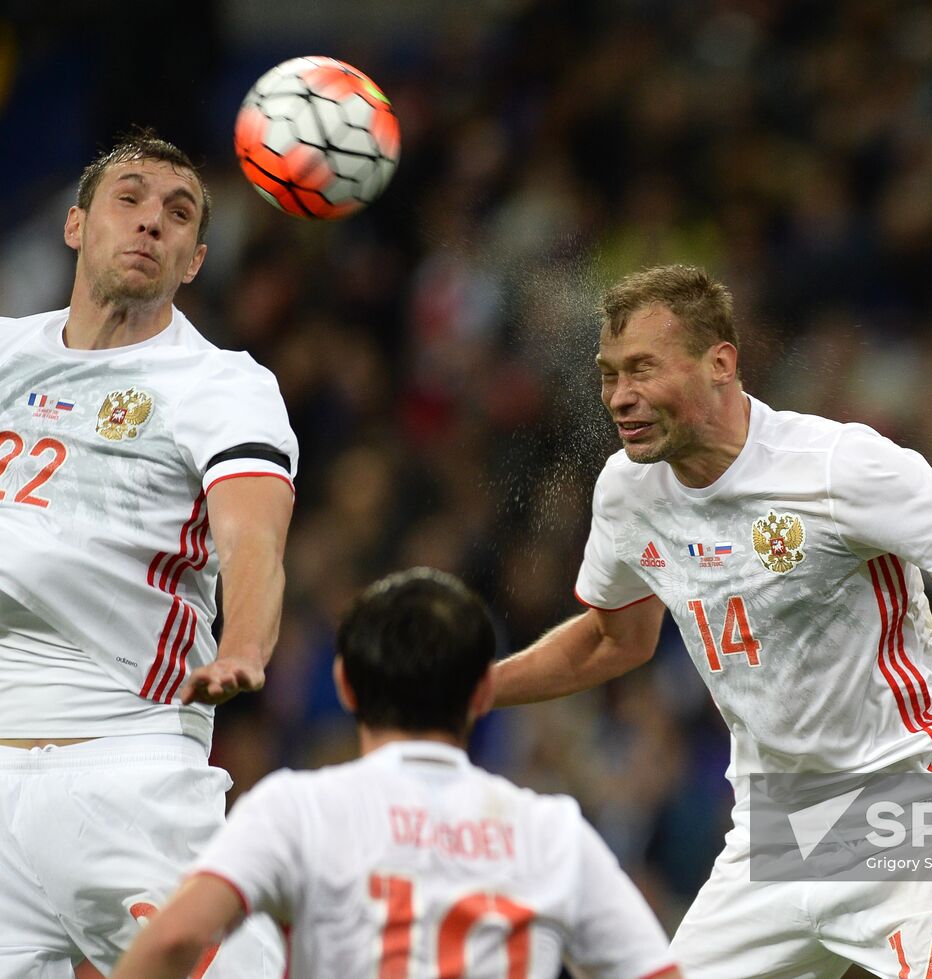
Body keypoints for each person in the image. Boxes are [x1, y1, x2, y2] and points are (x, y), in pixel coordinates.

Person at [491, 264, 932, 977]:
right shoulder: (630, 492)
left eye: (642, 370)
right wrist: (479, 687)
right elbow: (614, 637)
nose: (620, 397)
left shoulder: (836, 467)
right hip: (775, 835)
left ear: (720, 363)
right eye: (609, 374)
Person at [0, 131, 295, 977]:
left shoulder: (221, 385)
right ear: (73, 225)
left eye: (178, 213)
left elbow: (252, 534)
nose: (150, 223)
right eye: (128, 199)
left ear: (195, 259)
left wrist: (244, 643)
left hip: (124, 769)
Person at [111, 567, 682, 979]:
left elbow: (179, 935)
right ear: (484, 693)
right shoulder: (554, 832)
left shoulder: (297, 809)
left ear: (345, 686)